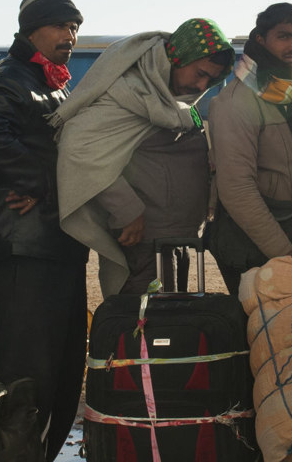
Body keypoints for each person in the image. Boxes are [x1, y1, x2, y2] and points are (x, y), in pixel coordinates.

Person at [0, 0, 90, 462]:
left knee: (61, 368)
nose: (70, 37)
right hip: (23, 250)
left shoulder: (51, 85)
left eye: (75, 27)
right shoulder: (9, 82)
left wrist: (51, 189)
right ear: (31, 30)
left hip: (58, 244)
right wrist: (38, 182)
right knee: (23, 369)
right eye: (61, 26)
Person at [53, 18, 233, 296]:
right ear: (176, 57)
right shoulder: (130, 92)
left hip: (170, 239)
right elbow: (80, 150)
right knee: (145, 327)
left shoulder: (167, 96)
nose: (201, 85)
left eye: (210, 79)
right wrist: (128, 210)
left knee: (169, 326)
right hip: (143, 241)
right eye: (199, 73)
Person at [209, 2, 292, 293]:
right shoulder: (238, 100)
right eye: (284, 36)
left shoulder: (291, 93)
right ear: (260, 40)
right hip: (259, 247)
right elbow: (236, 189)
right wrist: (285, 253)